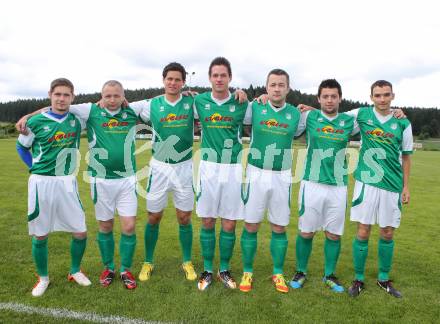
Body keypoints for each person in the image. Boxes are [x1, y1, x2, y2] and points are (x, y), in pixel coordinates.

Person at [17, 80, 149, 290]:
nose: (112, 100)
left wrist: (187, 94)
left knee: (129, 226)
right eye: (108, 96)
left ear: (124, 97)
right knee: (103, 227)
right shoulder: (90, 110)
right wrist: (28, 116)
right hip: (99, 179)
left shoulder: (132, 110)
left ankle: (124, 270)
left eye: (116, 96)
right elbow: (57, 106)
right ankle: (108, 269)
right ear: (101, 97)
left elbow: (165, 98)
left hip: (126, 179)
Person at [16, 78, 91, 297]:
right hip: (41, 183)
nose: (61, 98)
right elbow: (22, 148)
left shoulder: (77, 120)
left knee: (80, 231)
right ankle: (43, 278)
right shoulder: (36, 122)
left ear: (72, 97)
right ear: (50, 94)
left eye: (66, 95)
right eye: (57, 94)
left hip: (67, 181)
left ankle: (75, 271)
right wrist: (35, 168)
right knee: (40, 234)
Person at [128, 62, 198, 282]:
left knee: (184, 217)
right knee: (154, 217)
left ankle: (187, 261)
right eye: (170, 79)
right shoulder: (151, 105)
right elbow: (119, 103)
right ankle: (148, 261)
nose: (173, 83)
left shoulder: (192, 103)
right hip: (159, 167)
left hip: (185, 167)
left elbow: (218, 101)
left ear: (184, 82)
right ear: (163, 80)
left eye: (178, 79)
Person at [288, 79, 358, 293]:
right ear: (318, 99)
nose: (329, 100)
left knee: (334, 234)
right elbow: (286, 119)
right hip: (311, 183)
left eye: (333, 96)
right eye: (325, 96)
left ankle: (329, 275)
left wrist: (394, 110)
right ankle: (301, 271)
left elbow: (374, 111)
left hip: (338, 186)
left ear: (340, 98)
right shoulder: (309, 117)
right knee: (306, 232)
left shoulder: (349, 121)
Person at [346, 80, 412, 298]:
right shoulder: (362, 114)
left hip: (392, 185)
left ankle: (383, 279)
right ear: (371, 96)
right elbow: (334, 117)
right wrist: (311, 110)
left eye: (386, 95)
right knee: (363, 231)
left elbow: (406, 157)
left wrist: (406, 187)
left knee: (387, 232)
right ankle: (358, 279)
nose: (382, 99)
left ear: (393, 95)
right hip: (366, 182)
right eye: (378, 95)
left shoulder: (403, 123)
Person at [239, 69, 301, 293]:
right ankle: (248, 272)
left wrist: (311, 108)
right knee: (251, 224)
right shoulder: (255, 107)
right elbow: (233, 105)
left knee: (279, 226)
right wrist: (242, 93)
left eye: (281, 84)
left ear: (288, 88)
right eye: (273, 84)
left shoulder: (295, 114)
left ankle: (277, 272)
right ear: (266, 87)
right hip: (256, 172)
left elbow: (318, 120)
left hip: (282, 175)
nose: (277, 88)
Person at [194, 57, 249, 291]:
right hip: (208, 168)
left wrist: (263, 96)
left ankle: (223, 269)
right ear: (209, 78)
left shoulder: (242, 103)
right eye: (215, 75)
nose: (219, 79)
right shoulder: (199, 101)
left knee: (229, 222)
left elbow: (267, 108)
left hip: (233, 168)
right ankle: (207, 269)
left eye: (223, 75)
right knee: (207, 219)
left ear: (230, 77)